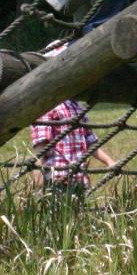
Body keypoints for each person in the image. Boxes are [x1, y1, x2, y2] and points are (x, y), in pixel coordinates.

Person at [30, 43, 116, 190]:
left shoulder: (76, 105)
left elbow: (89, 141)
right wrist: (38, 179)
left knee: (78, 212)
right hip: (57, 180)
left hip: (79, 178)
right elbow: (40, 148)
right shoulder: (47, 106)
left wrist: (109, 161)